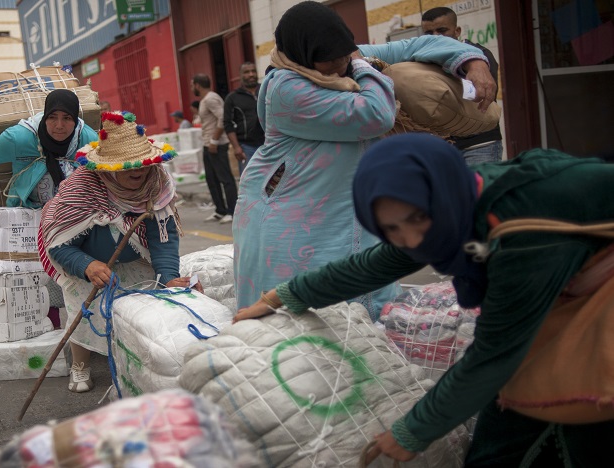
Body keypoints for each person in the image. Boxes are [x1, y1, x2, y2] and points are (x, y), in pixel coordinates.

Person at [236, 133, 614, 466]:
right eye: (391, 228)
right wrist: (282, 297)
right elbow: (377, 263)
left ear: (441, 192)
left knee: (585, 413)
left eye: (417, 219)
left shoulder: (520, 230)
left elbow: (494, 355)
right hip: (568, 291)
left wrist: (412, 431)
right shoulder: (458, 208)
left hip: (597, 302)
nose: (413, 239)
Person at [232, 0, 496, 319]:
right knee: (297, 318)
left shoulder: (347, 55)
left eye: (343, 57)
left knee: (362, 311)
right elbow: (375, 114)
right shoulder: (285, 88)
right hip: (290, 217)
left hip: (343, 208)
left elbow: (419, 44)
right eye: (327, 62)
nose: (338, 66)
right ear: (303, 54)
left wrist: (472, 61)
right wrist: (363, 66)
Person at [39, 110, 201, 392]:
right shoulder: (81, 189)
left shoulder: (155, 183)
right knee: (84, 310)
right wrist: (86, 266)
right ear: (107, 169)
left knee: (142, 308)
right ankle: (80, 364)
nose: (137, 171)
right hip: (84, 255)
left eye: (141, 164)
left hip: (133, 253)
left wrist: (168, 277)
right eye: (125, 167)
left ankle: (131, 361)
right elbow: (60, 244)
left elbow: (163, 239)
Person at [0, 89, 99, 210]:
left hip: (75, 211)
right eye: (53, 117)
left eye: (67, 118)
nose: (59, 125)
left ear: (75, 119)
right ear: (45, 117)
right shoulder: (20, 138)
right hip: (27, 210)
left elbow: (103, 175)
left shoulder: (87, 139)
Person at [422, 6, 503, 164]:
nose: (436, 37)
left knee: (479, 188)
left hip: (479, 144)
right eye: (429, 33)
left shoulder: (479, 57)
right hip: (442, 147)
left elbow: (483, 95)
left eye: (442, 30)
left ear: (457, 31)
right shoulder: (424, 59)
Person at [192, 73, 237, 224]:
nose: (193, 88)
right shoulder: (205, 100)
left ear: (197, 85)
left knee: (225, 179)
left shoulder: (210, 98)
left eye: (193, 85)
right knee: (212, 179)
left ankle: (232, 211)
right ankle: (220, 210)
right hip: (208, 145)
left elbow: (223, 118)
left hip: (216, 145)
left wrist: (214, 140)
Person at [223, 62, 265, 175]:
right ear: (240, 76)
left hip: (269, 144)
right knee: (250, 182)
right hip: (247, 147)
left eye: (253, 71)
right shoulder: (232, 98)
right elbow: (228, 124)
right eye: (247, 72)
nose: (251, 74)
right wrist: (236, 147)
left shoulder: (266, 90)